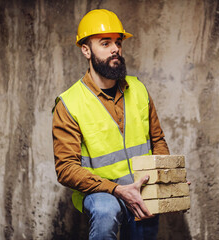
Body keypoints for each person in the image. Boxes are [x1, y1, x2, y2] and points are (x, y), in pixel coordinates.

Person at [52, 9, 170, 239]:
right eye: (105, 43)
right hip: (101, 191)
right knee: (106, 209)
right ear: (86, 50)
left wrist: (168, 175)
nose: (115, 48)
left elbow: (157, 141)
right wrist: (116, 189)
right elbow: (66, 169)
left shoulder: (138, 89)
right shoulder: (69, 103)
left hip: (142, 188)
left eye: (118, 42)